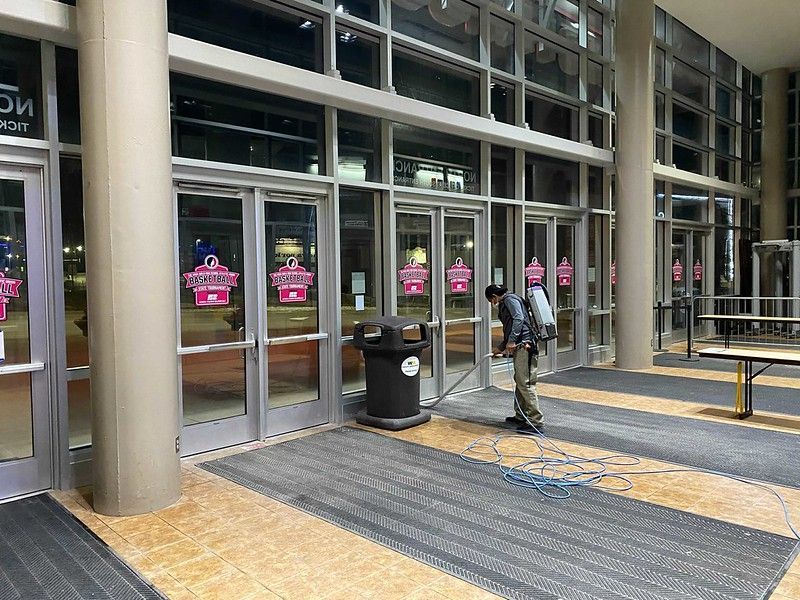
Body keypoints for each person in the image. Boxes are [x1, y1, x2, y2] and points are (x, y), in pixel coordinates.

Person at [485, 284, 544, 432]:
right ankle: (521, 415)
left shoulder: (510, 300)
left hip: (525, 345)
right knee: (520, 380)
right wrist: (501, 347)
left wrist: (511, 341)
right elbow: (510, 326)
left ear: (494, 297)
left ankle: (535, 421)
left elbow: (518, 319)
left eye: (491, 301)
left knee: (526, 383)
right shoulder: (510, 300)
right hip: (520, 344)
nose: (493, 304)